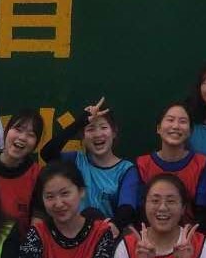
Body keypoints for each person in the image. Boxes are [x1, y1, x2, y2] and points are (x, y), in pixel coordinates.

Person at [40, 96, 140, 229]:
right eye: (90, 129)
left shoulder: (126, 170)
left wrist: (112, 227)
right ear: (82, 136)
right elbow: (47, 153)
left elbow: (127, 208)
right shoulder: (75, 160)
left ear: (114, 132)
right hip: (72, 233)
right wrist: (80, 122)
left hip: (107, 233)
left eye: (103, 127)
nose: (98, 134)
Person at [135, 102, 206, 223]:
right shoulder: (142, 164)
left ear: (190, 131)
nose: (176, 126)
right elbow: (140, 211)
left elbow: (203, 211)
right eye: (170, 120)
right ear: (158, 128)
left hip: (190, 232)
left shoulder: (202, 164)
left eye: (183, 121)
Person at [0, 108, 43, 235]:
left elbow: (37, 229)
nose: (22, 137)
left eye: (31, 134)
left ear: (36, 144)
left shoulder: (39, 175)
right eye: (18, 129)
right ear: (6, 132)